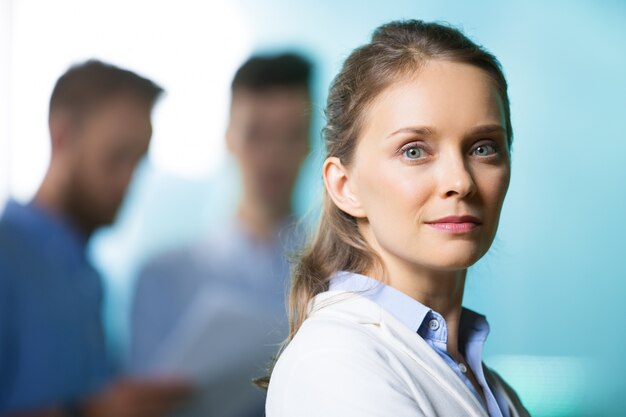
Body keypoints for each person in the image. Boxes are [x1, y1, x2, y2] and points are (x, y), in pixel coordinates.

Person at [263, 20, 531, 417]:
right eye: (414, 151)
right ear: (345, 186)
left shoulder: (485, 382)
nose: (460, 182)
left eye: (483, 148)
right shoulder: (333, 362)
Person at [0, 60, 190, 417]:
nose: (128, 181)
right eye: (116, 157)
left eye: (138, 161)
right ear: (62, 138)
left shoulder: (87, 277)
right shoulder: (7, 256)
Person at [130, 53, 312, 417]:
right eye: (257, 134)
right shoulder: (162, 277)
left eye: (291, 135)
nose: (273, 154)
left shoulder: (343, 275)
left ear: (310, 145)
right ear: (229, 139)